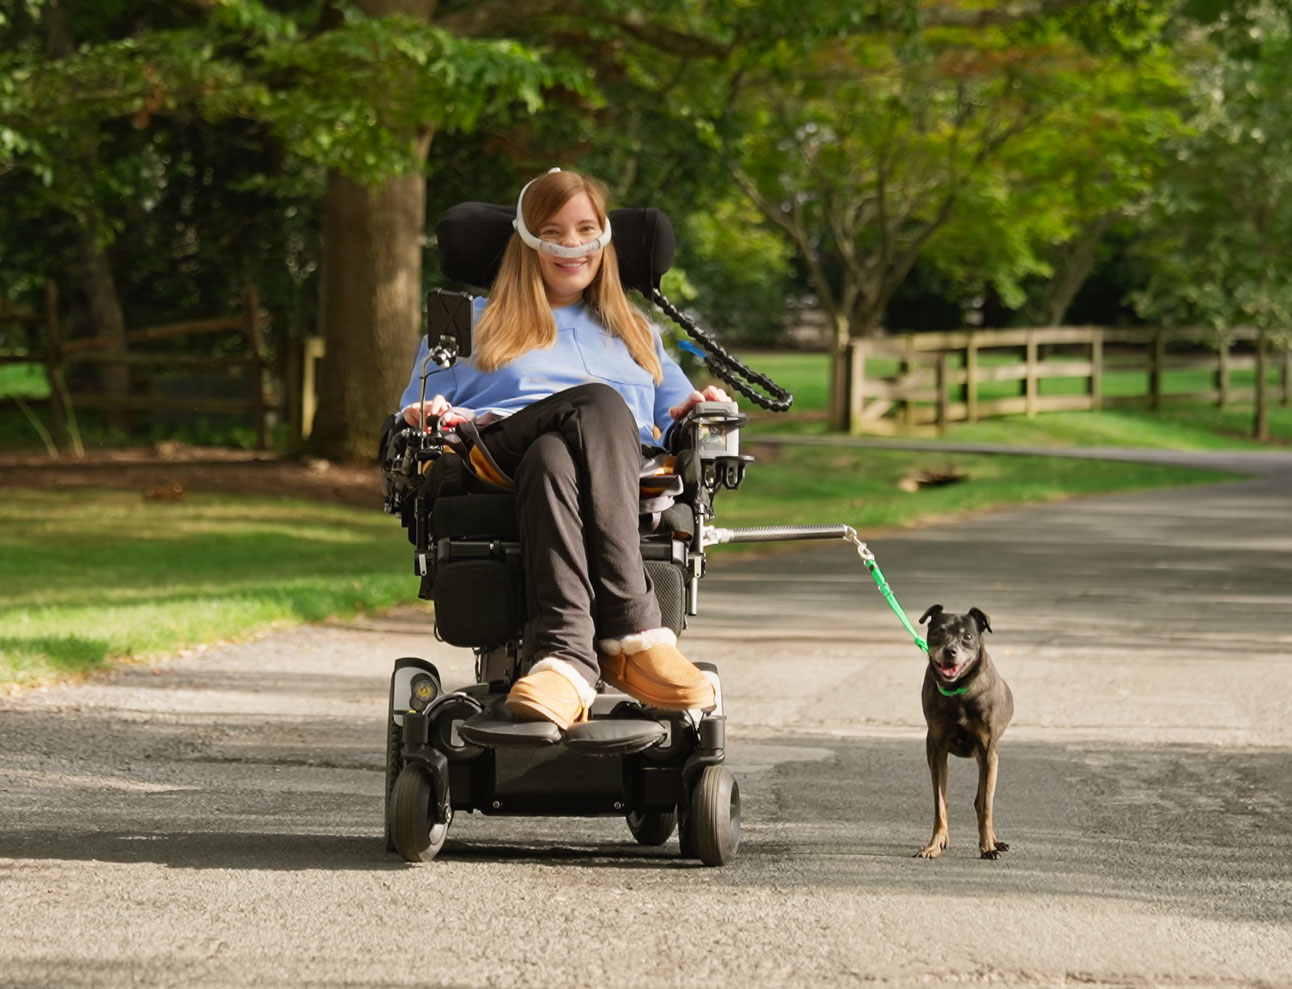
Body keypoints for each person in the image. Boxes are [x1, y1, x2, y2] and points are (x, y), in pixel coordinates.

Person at [398, 168, 731, 730]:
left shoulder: (636, 333)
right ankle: (633, 627)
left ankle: (567, 659)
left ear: (606, 238)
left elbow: (677, 417)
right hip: (492, 457)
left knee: (554, 454)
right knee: (598, 405)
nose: (572, 245)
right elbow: (410, 413)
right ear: (525, 239)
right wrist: (423, 411)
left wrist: (701, 406)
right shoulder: (468, 326)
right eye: (554, 230)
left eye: (586, 229)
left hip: (608, 472)